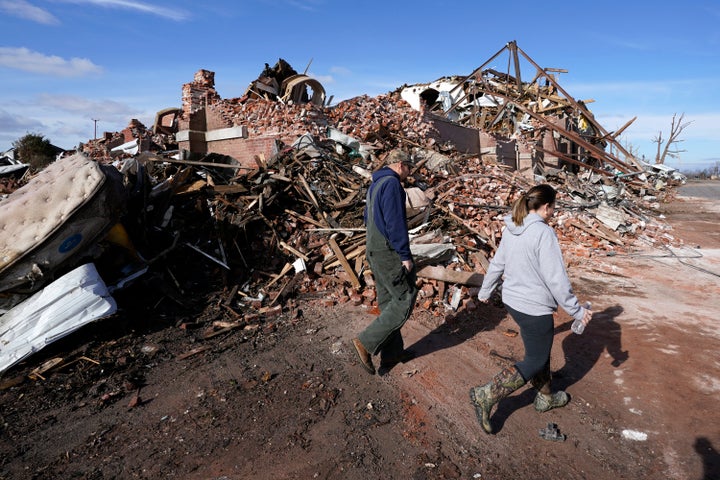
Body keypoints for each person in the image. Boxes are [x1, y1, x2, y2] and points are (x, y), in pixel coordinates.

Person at [469, 183, 592, 434]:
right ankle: (486, 394)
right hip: (534, 307)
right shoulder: (543, 234)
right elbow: (556, 279)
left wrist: (484, 291)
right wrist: (578, 311)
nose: (554, 212)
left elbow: (497, 264)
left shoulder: (513, 227)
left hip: (513, 303)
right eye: (554, 207)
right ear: (546, 207)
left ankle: (545, 396)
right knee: (536, 358)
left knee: (540, 351)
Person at [352, 149, 419, 375]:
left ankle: (393, 353)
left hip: (374, 249)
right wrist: (404, 255)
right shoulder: (391, 184)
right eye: (409, 168)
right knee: (405, 297)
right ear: (400, 165)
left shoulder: (375, 185)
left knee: (388, 301)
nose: (409, 173)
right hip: (389, 250)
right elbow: (395, 223)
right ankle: (366, 342)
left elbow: (366, 218)